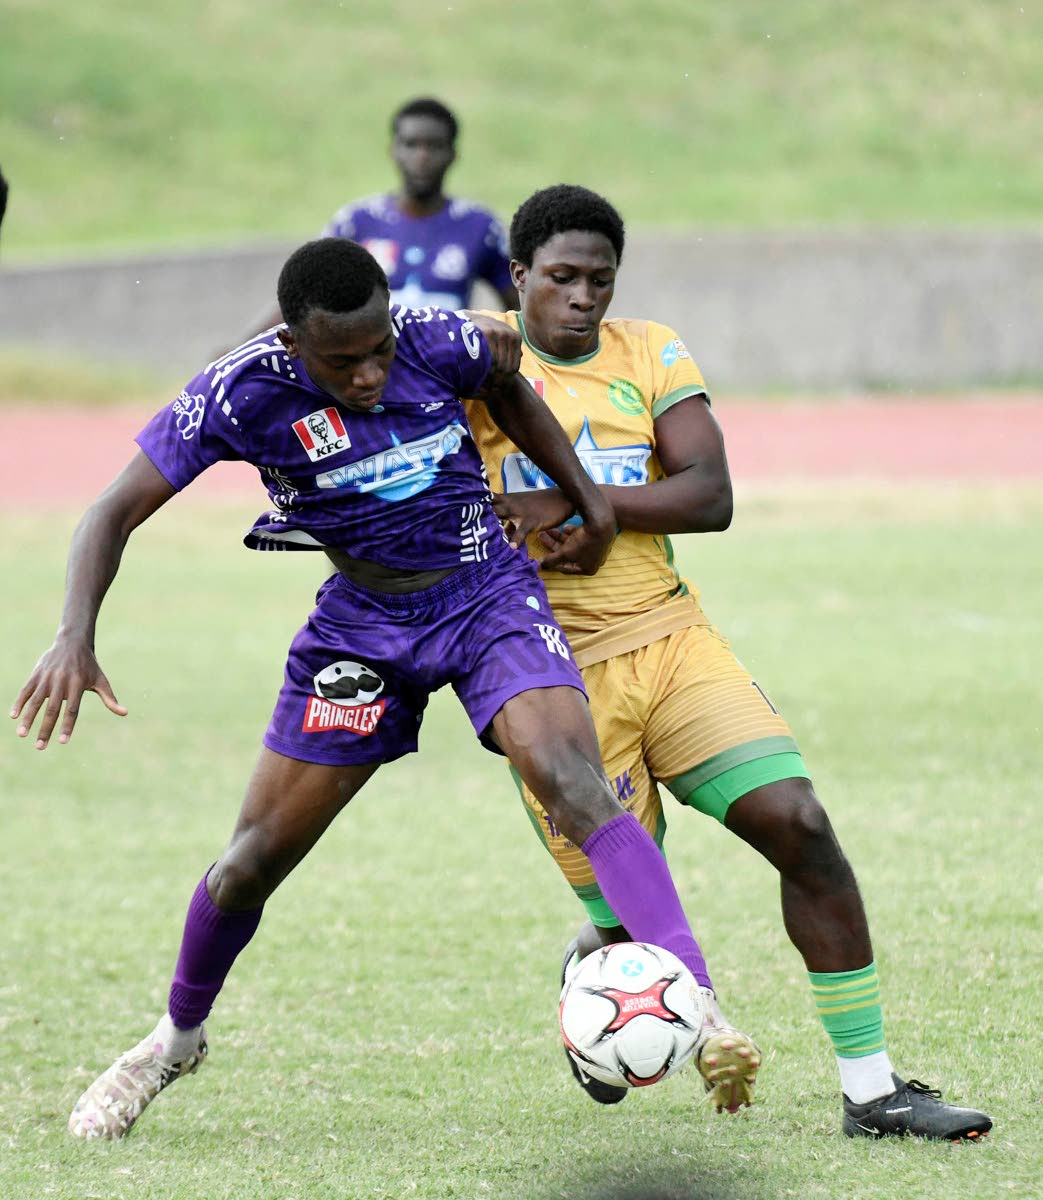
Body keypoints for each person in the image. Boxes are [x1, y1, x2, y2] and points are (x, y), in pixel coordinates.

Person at [12, 237, 719, 1141]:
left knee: (572, 779)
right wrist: (74, 634)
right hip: (362, 630)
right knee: (251, 863)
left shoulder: (437, 339)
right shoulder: (240, 391)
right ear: (295, 345)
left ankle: (696, 996)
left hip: (487, 595)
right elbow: (111, 510)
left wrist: (590, 499)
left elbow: (512, 396)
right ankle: (174, 1040)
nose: (372, 371)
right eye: (344, 361)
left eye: (380, 347)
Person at [464, 184, 993, 1141]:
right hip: (548, 675)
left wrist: (582, 508)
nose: (581, 298)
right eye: (560, 278)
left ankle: (871, 1092)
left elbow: (709, 493)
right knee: (631, 922)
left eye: (599, 280)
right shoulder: (477, 359)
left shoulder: (650, 350)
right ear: (518, 279)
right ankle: (596, 961)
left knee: (800, 824)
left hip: (670, 641)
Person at [244, 98, 516, 339]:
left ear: (453, 154)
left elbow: (522, 308)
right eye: (411, 145)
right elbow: (302, 299)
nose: (422, 157)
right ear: (393, 150)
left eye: (434, 146)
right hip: (368, 378)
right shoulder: (355, 223)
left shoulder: (480, 227)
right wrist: (240, 350)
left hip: (446, 380)